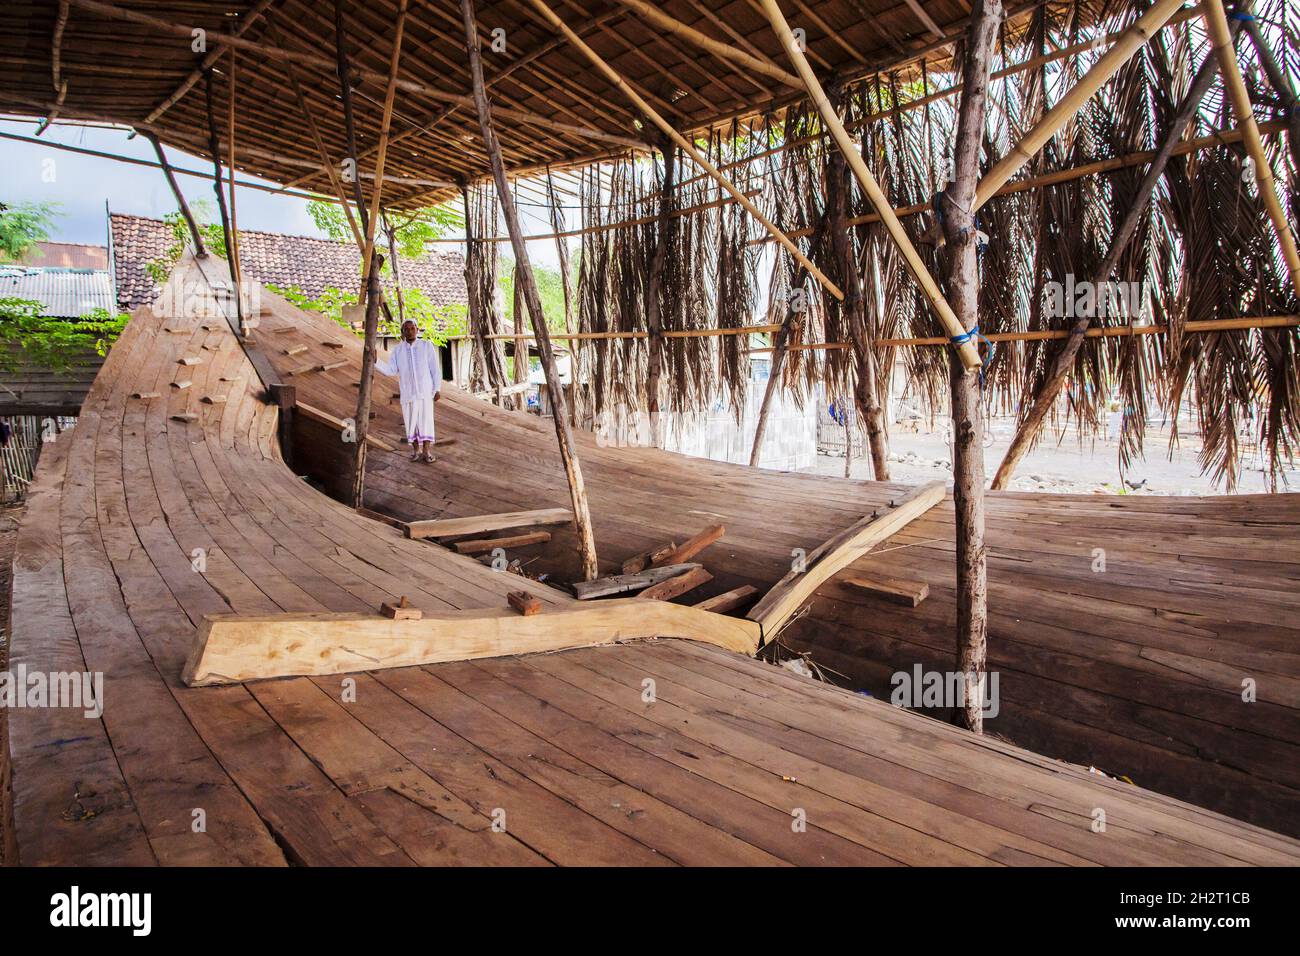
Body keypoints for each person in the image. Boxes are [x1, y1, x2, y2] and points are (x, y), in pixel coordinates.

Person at [376, 319, 442, 463]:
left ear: (417, 330)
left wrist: (436, 388)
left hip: (425, 392)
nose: (410, 331)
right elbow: (391, 370)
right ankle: (416, 451)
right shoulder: (398, 350)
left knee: (426, 421)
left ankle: (426, 451)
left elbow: (435, 370)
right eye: (407, 329)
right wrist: (376, 361)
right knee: (411, 421)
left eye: (413, 328)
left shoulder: (426, 346)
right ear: (403, 332)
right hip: (408, 393)